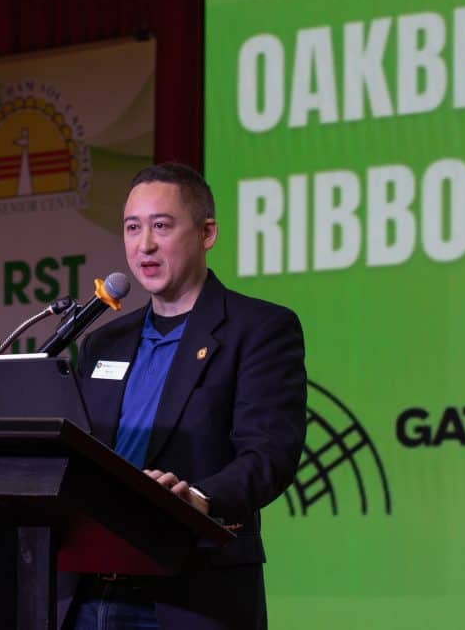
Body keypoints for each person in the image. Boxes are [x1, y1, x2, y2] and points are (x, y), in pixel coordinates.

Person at [60, 162, 308, 629]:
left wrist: (197, 497)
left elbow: (269, 453)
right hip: (85, 594)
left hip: (187, 595)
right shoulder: (102, 343)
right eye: (133, 228)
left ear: (207, 232)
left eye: (162, 226)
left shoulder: (258, 330)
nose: (144, 245)